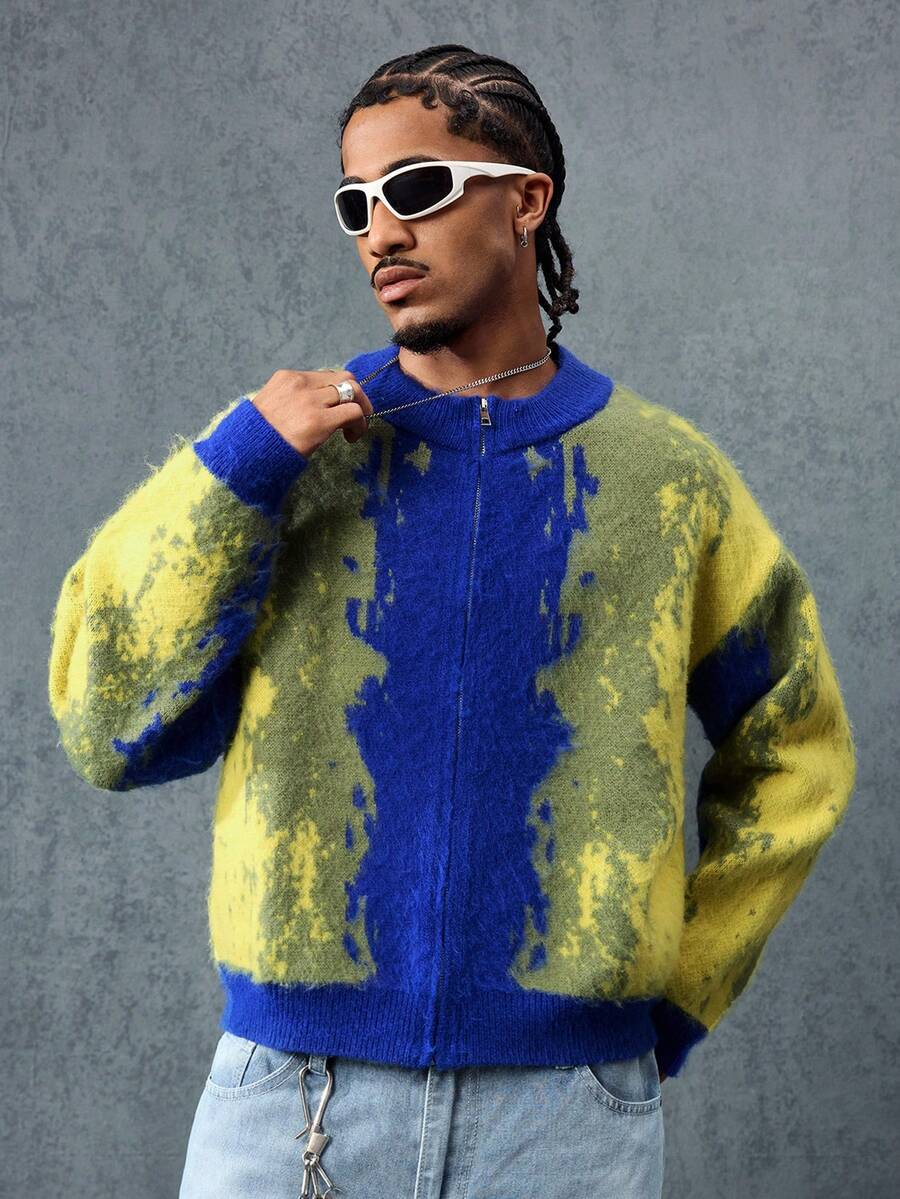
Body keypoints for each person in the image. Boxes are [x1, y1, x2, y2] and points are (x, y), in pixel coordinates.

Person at [47, 43, 857, 1199]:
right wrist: (238, 462)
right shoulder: (291, 459)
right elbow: (107, 724)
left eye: (417, 188)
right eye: (356, 203)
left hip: (568, 1117)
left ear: (526, 201)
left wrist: (674, 994)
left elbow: (798, 749)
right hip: (293, 1099)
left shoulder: (671, 482)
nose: (381, 231)